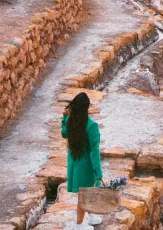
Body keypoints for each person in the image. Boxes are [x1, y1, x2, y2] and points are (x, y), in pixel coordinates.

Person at [62, 92, 103, 227]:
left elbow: (64, 134)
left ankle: (91, 216)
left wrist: (63, 120)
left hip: (74, 162)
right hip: (85, 166)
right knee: (84, 195)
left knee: (85, 192)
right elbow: (94, 152)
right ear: (86, 108)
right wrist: (98, 173)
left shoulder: (70, 120)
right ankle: (79, 225)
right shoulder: (91, 126)